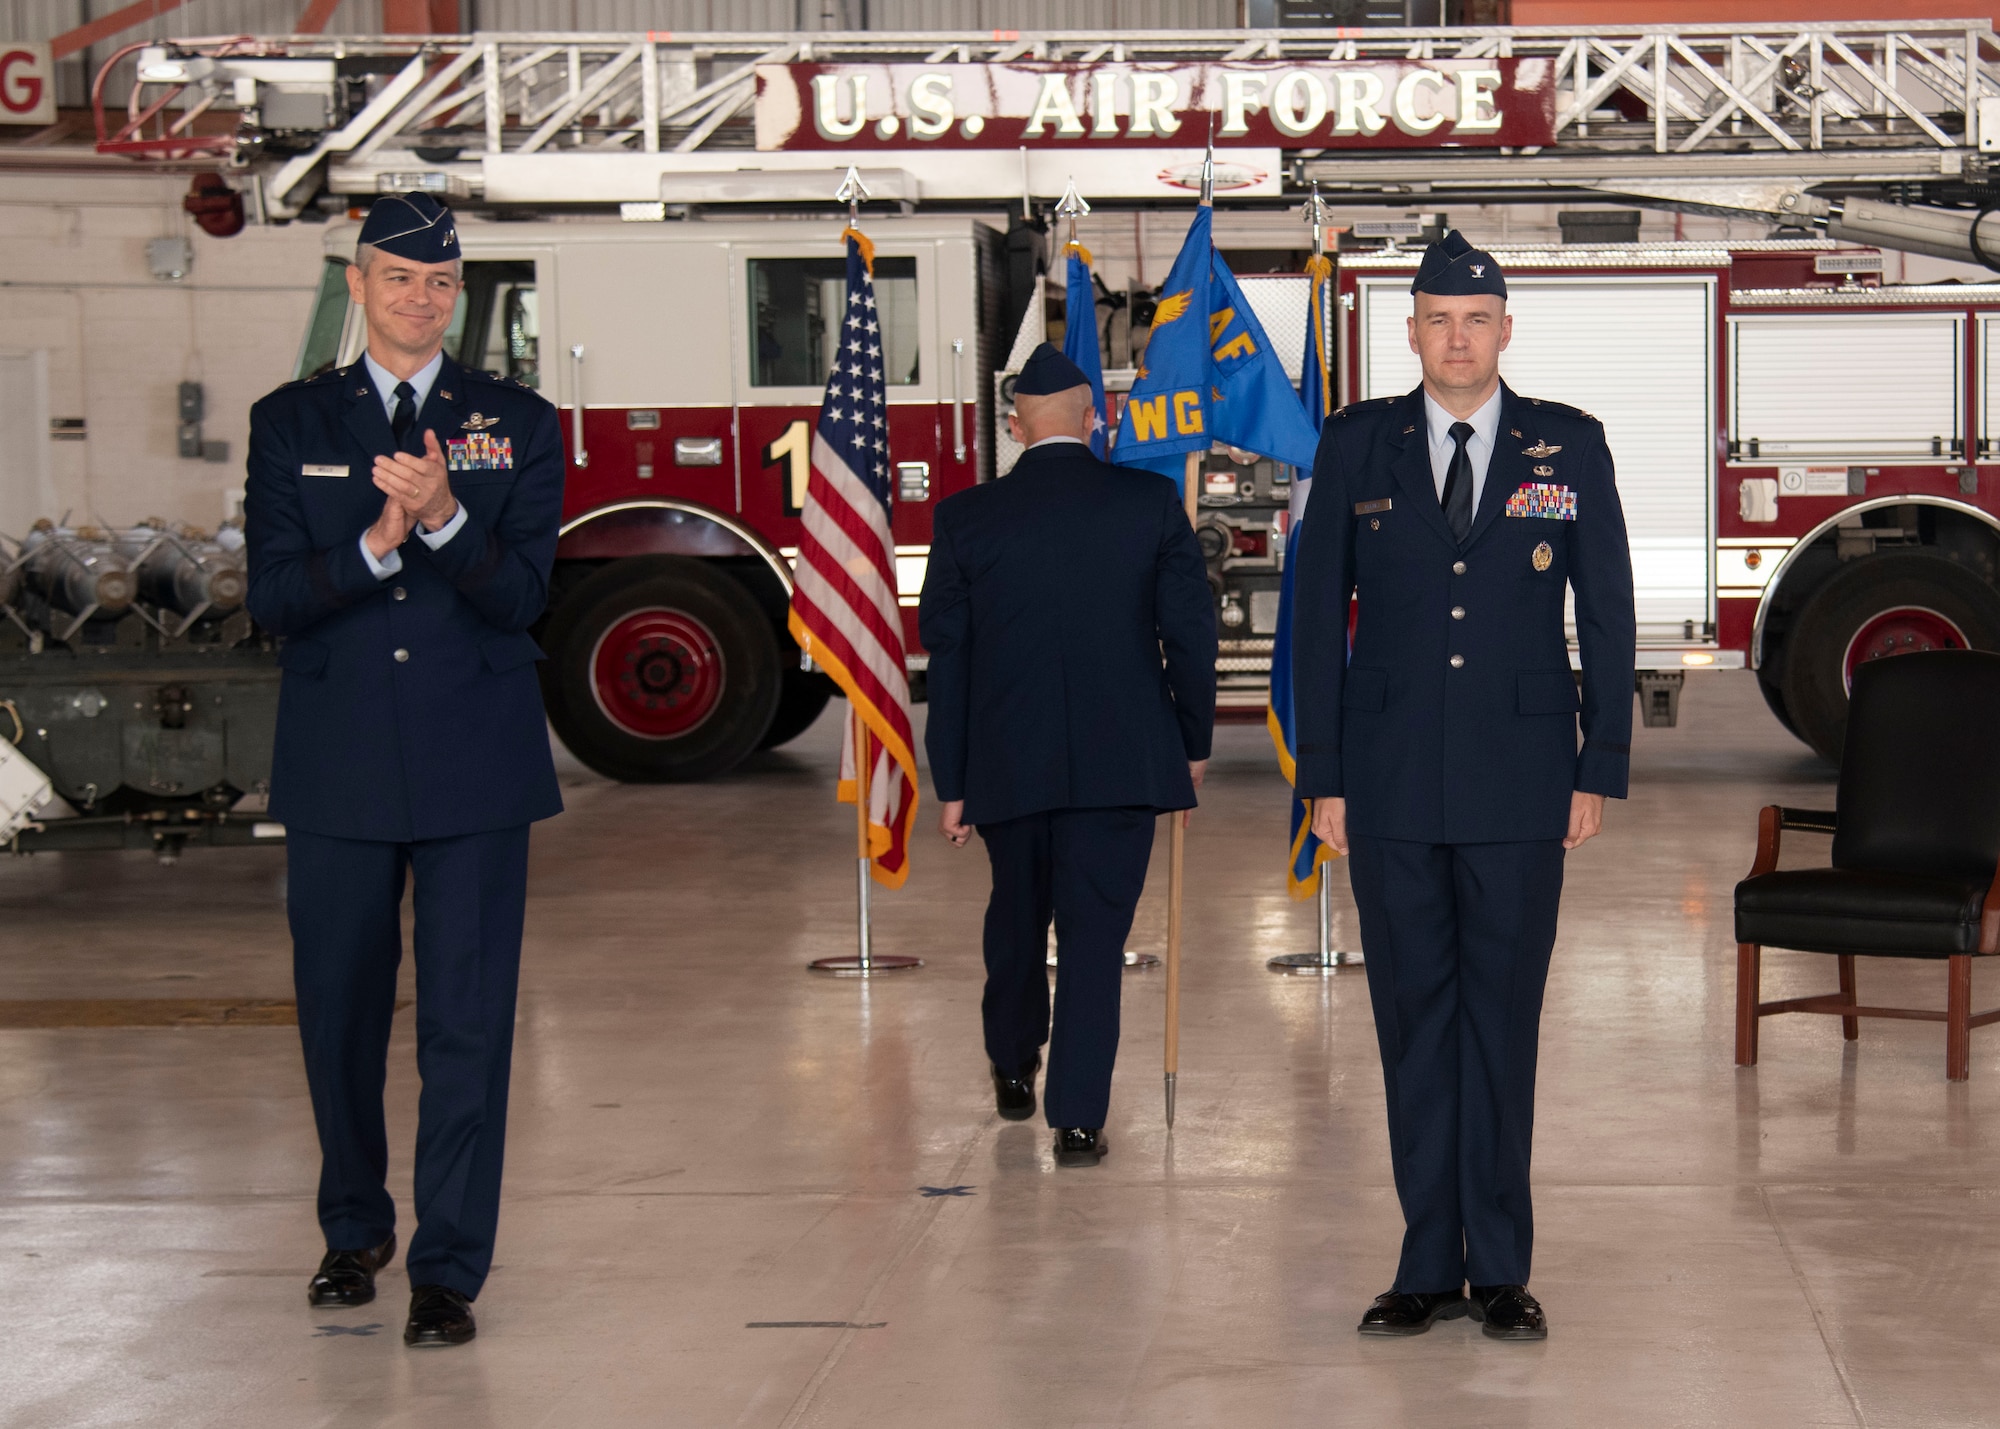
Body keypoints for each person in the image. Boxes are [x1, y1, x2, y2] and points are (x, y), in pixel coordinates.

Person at [1291, 231, 1636, 1341]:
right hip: (1386, 785)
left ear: (1502, 329)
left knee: (1501, 1021)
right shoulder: (1357, 445)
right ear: (1409, 332)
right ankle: (1421, 1262)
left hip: (1520, 781)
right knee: (1411, 1023)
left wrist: (1598, 766)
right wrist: (1322, 779)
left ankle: (1501, 1266)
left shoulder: (1565, 445)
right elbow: (1311, 621)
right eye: (1436, 318)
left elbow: (1609, 615)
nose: (1456, 337)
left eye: (1474, 318)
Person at [244, 193, 565, 1348]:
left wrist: (441, 524)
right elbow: (272, 600)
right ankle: (351, 1229)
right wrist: (373, 544)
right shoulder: (291, 422)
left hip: (475, 765)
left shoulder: (518, 422)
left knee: (467, 1025)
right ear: (358, 284)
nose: (420, 299)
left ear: (458, 294)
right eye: (397, 278)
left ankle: (447, 1267)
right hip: (338, 769)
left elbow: (527, 595)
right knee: (337, 1013)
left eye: (440, 283)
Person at [919, 343, 1217, 1168]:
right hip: (1121, 766)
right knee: (1094, 939)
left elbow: (950, 658)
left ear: (1014, 428)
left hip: (1006, 768)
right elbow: (1189, 637)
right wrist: (1190, 741)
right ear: (1099, 420)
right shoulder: (1151, 504)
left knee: (1015, 923)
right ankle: (1078, 1118)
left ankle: (1013, 1064)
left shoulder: (965, 517)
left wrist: (954, 781)